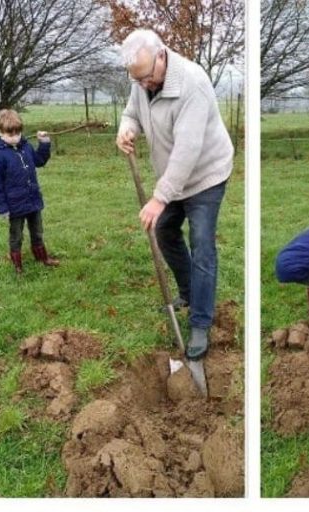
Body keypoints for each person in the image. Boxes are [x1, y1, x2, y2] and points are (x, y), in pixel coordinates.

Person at [115, 28, 234, 361]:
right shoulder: (141, 80)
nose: (143, 85)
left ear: (162, 55)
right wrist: (126, 130)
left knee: (202, 244)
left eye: (147, 78)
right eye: (136, 80)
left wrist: (159, 197)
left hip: (205, 175)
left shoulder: (192, 84)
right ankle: (188, 292)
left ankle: (200, 323)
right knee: (165, 230)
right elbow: (131, 112)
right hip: (172, 176)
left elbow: (188, 150)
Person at [0, 108, 59, 274]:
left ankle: (42, 257)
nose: (15, 138)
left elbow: (39, 161)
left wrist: (44, 143)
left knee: (37, 231)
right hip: (14, 206)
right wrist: (2, 208)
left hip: (33, 201)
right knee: (16, 236)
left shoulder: (25, 147)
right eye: (10, 134)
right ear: (0, 132)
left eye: (18, 133)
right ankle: (17, 265)